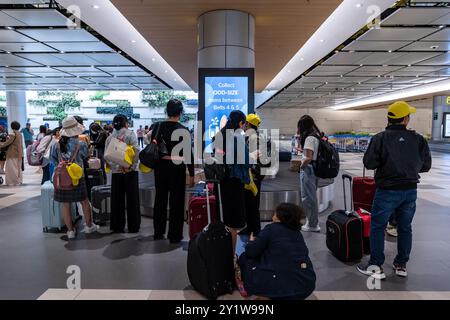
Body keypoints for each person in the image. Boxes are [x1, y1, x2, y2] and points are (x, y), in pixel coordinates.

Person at [357, 101, 432, 279]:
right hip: (409, 190)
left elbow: (369, 163)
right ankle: (401, 265)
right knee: (405, 227)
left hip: (386, 191)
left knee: (378, 226)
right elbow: (426, 166)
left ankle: (376, 265)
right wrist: (408, 169)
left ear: (390, 119)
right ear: (405, 119)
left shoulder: (380, 138)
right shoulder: (419, 139)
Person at [237, 203, 316, 300]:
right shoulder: (297, 234)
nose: (272, 216)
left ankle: (256, 290)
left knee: (244, 257)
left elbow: (251, 251)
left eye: (274, 213)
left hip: (276, 289)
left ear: (279, 217)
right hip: (305, 287)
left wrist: (251, 242)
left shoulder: (271, 228)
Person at [152, 99, 194, 243]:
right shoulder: (183, 129)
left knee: (160, 200)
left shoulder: (157, 127)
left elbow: (154, 148)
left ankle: (158, 232)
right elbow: (189, 155)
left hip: (160, 168)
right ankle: (174, 235)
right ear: (181, 112)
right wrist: (192, 174)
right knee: (176, 202)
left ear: (167, 111)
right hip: (177, 168)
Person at [50, 116, 99, 240]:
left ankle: (70, 231)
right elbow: (86, 157)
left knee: (65, 205)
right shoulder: (81, 144)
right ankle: (89, 226)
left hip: (62, 179)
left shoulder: (56, 145)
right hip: (78, 177)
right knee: (84, 202)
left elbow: (53, 160)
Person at [213, 110, 250, 254]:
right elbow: (246, 162)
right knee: (233, 223)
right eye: (243, 124)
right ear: (240, 123)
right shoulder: (237, 136)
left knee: (223, 218)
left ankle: (221, 254)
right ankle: (230, 257)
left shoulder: (220, 135)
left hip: (221, 181)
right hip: (234, 182)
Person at [105, 115, 141, 234]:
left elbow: (107, 156)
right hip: (130, 172)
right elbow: (136, 151)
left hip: (117, 173)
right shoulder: (130, 134)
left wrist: (116, 166)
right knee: (132, 200)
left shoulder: (110, 137)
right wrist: (131, 166)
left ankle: (117, 226)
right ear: (126, 123)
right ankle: (133, 226)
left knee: (117, 200)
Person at [241, 113, 267, 237]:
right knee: (248, 203)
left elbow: (253, 158)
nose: (243, 125)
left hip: (254, 176)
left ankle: (255, 230)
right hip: (251, 175)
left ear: (249, 124)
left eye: (245, 123)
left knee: (252, 204)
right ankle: (250, 227)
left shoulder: (254, 139)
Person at [297, 115, 322, 233]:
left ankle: (313, 225)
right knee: (311, 196)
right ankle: (312, 221)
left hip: (308, 170)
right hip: (315, 170)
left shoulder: (309, 138)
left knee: (308, 198)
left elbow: (308, 158)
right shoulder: (316, 135)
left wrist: (300, 166)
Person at [0, 121, 24, 186]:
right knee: (18, 168)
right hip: (19, 153)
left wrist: (1, 145)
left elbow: (7, 142)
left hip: (12, 153)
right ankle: (19, 180)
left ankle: (13, 181)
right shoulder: (19, 134)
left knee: (11, 168)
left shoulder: (12, 134)